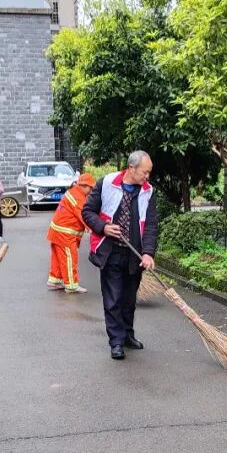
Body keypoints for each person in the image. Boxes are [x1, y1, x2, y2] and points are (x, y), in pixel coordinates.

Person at [82, 151, 158, 360]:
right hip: (111, 251)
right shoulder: (106, 184)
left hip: (134, 254)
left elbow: (150, 225)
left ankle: (127, 335)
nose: (147, 177)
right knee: (113, 298)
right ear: (131, 168)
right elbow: (87, 211)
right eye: (145, 172)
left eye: (149, 173)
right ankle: (116, 341)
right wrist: (103, 227)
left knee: (129, 299)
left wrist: (148, 253)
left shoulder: (148, 191)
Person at [47, 172, 95, 294]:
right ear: (84, 185)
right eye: (91, 187)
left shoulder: (74, 192)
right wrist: (97, 228)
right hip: (65, 234)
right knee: (69, 258)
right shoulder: (78, 197)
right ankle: (71, 285)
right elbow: (85, 217)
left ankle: (55, 280)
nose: (91, 190)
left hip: (57, 231)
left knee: (59, 258)